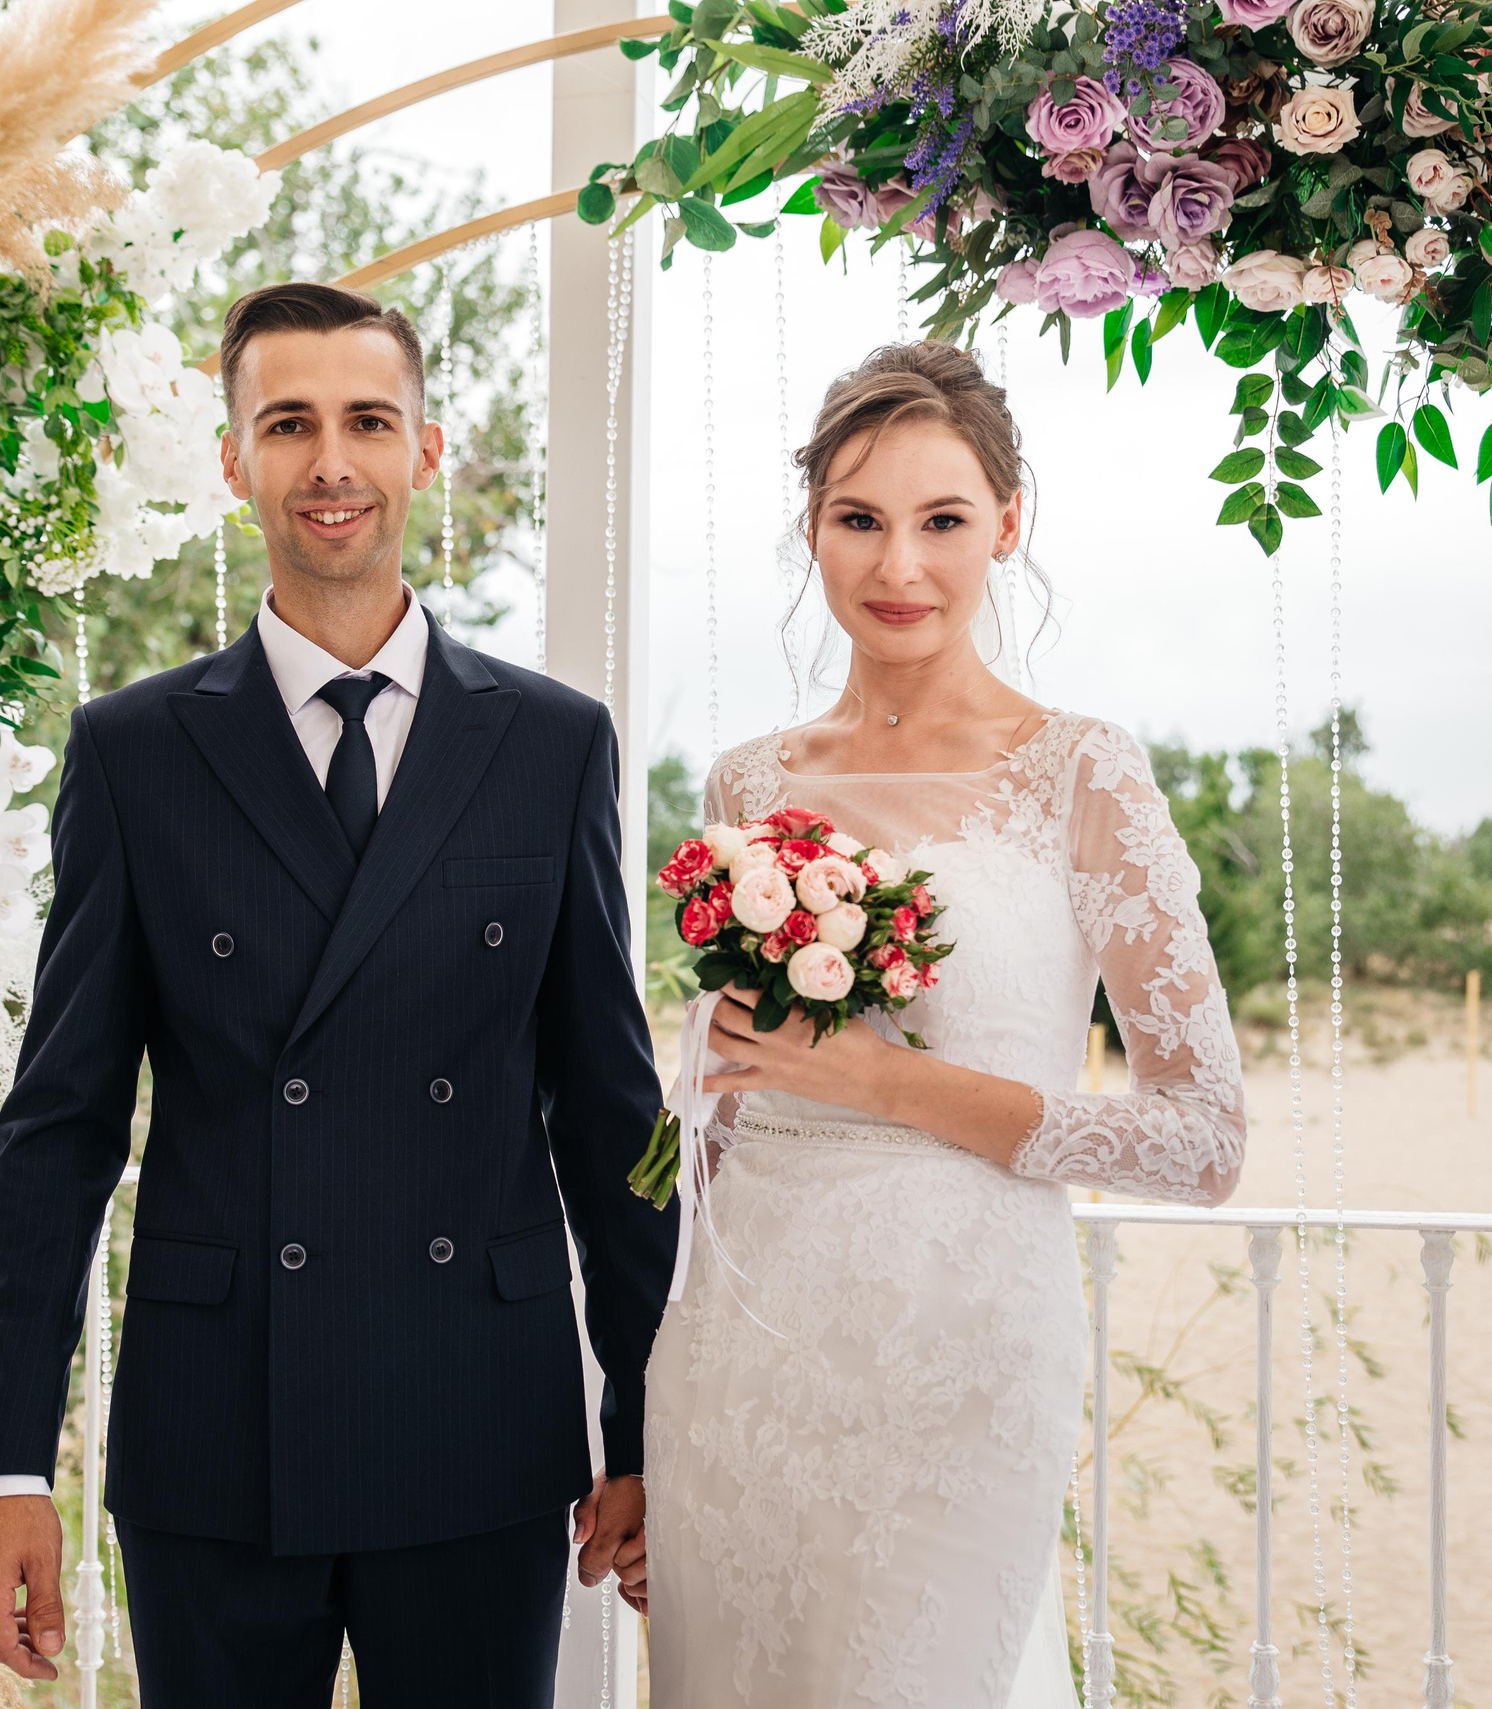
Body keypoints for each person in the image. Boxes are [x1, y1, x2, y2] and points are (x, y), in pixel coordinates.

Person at [0, 281, 677, 1708]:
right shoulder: (134, 751)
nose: (330, 462)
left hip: (477, 1411)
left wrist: (647, 1417)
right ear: (234, 459)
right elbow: (61, 1129)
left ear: (429, 450)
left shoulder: (552, 743)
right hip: (219, 1427)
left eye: (366, 421)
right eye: (288, 424)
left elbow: (613, 1113)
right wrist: (6, 1462)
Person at [640, 341, 1248, 1706]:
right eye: (859, 520)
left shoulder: (1081, 771)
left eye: (942, 522)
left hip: (962, 1367)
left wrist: (875, 1080)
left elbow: (1202, 1140)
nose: (897, 565)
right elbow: (723, 1130)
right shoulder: (750, 777)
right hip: (740, 1370)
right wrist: (637, 1417)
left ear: (1008, 525)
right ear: (813, 532)